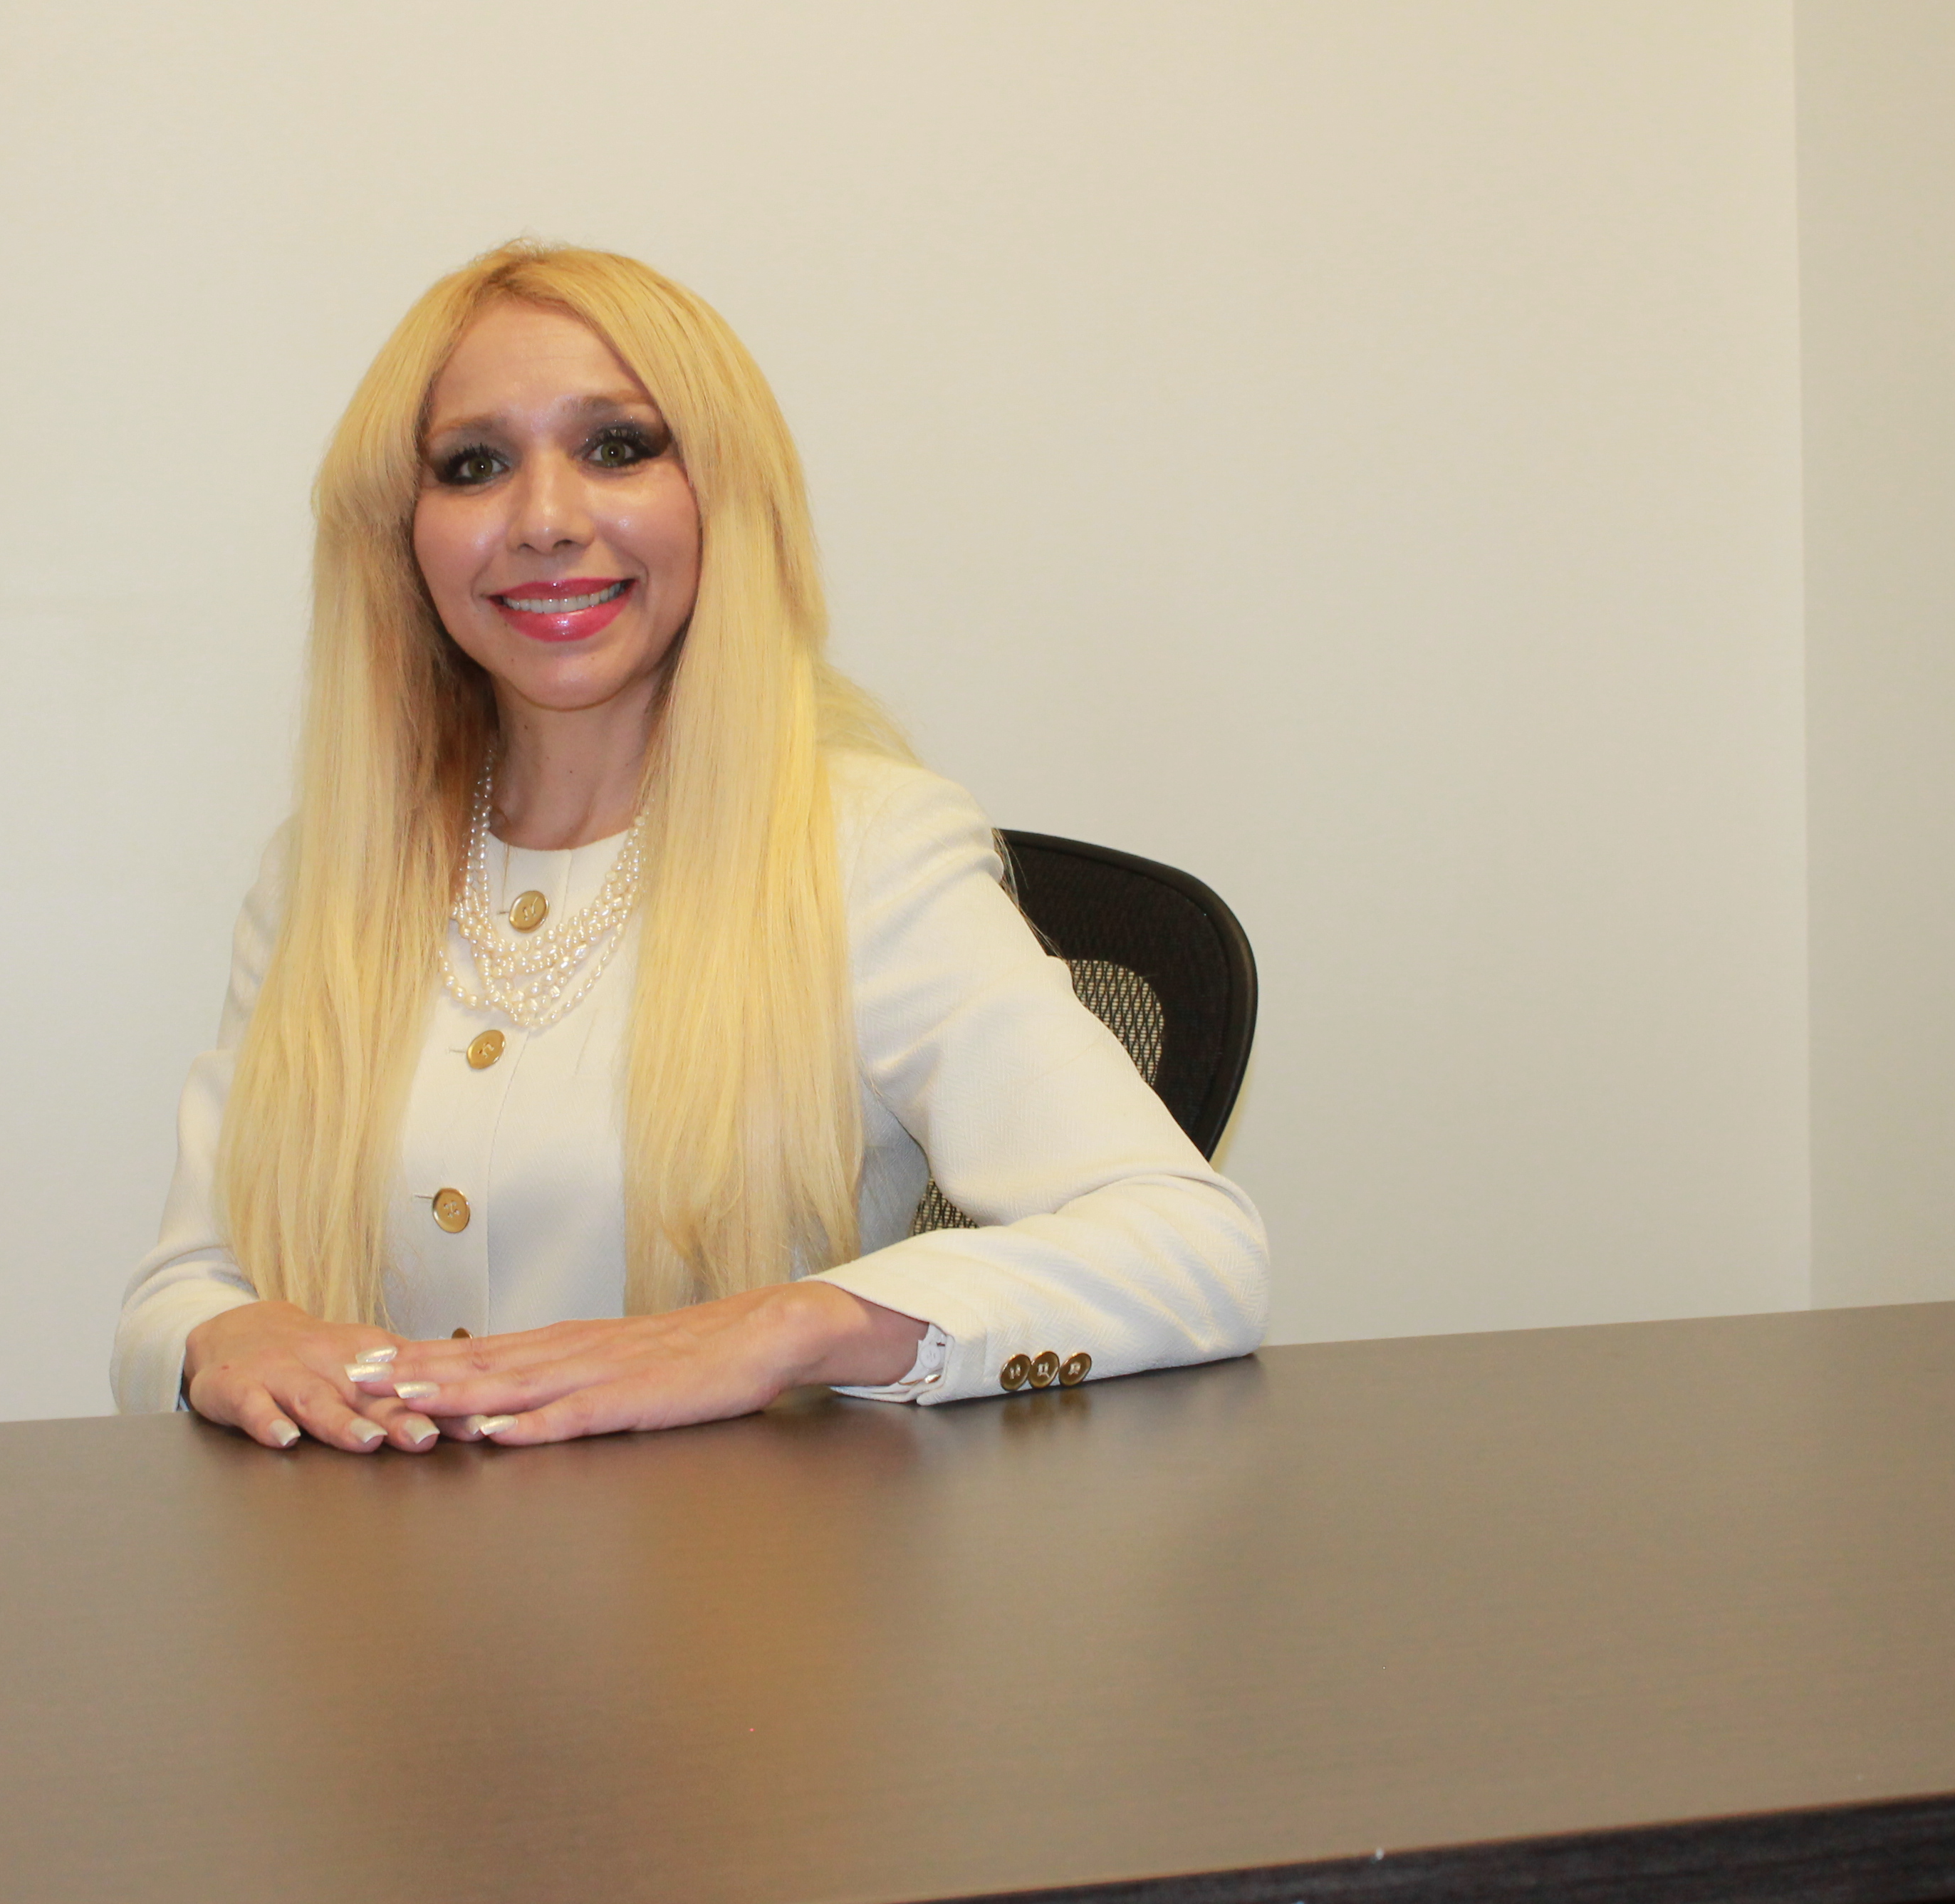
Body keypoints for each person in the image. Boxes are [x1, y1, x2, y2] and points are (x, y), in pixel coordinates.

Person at [113, 243, 1266, 1451]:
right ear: (402, 537)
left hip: (740, 1607)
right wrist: (217, 1341)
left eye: (618, 447)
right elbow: (184, 1286)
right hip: (362, 1606)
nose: (546, 521)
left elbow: (1192, 1247)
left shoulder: (860, 847)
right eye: (474, 465)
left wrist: (789, 1328)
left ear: (726, 495)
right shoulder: (327, 871)